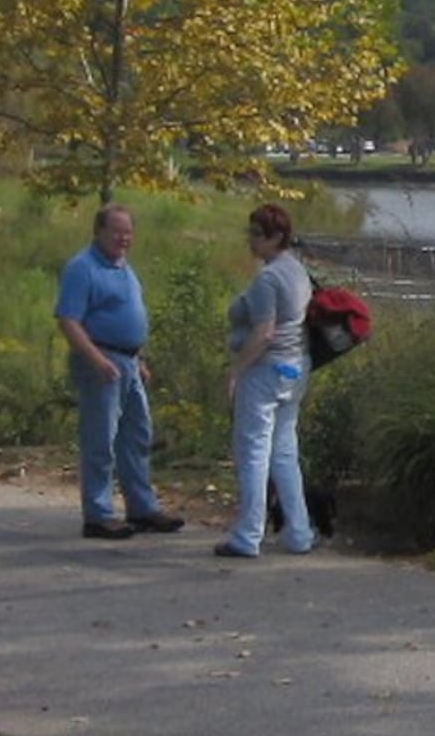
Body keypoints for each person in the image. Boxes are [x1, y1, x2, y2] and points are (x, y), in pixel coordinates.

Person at [54, 201, 185, 540]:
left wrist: (139, 359)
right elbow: (68, 320)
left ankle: (142, 508)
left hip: (129, 362)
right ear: (99, 231)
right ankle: (98, 514)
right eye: (116, 232)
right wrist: (96, 359)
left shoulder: (124, 268)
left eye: (128, 232)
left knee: (137, 436)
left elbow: (128, 316)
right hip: (100, 363)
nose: (123, 239)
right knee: (101, 439)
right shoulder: (82, 268)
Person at [216, 199, 321, 559]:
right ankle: (299, 532)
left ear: (277, 237)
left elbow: (263, 333)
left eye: (258, 234)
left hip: (267, 370)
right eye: (250, 232)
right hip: (296, 367)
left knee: (253, 452)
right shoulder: (298, 271)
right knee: (284, 451)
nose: (251, 240)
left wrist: (236, 370)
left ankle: (247, 535)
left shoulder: (268, 277)